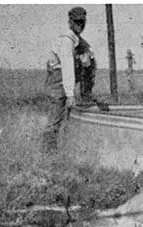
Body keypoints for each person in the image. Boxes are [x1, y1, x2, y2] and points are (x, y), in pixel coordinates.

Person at [43, 6, 91, 152]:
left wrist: (87, 56)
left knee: (67, 116)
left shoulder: (77, 39)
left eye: (82, 22)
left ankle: (63, 149)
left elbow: (88, 53)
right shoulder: (67, 40)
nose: (80, 25)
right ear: (70, 22)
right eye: (77, 22)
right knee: (55, 118)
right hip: (58, 79)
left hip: (64, 79)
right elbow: (67, 66)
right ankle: (48, 154)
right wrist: (70, 94)